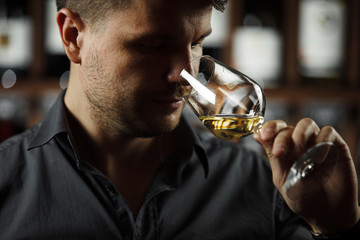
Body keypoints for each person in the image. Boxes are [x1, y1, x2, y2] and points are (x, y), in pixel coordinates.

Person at [0, 0, 359, 239]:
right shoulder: (7, 188)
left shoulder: (266, 189)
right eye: (153, 46)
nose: (187, 76)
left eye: (197, 43)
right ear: (73, 36)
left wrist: (336, 228)